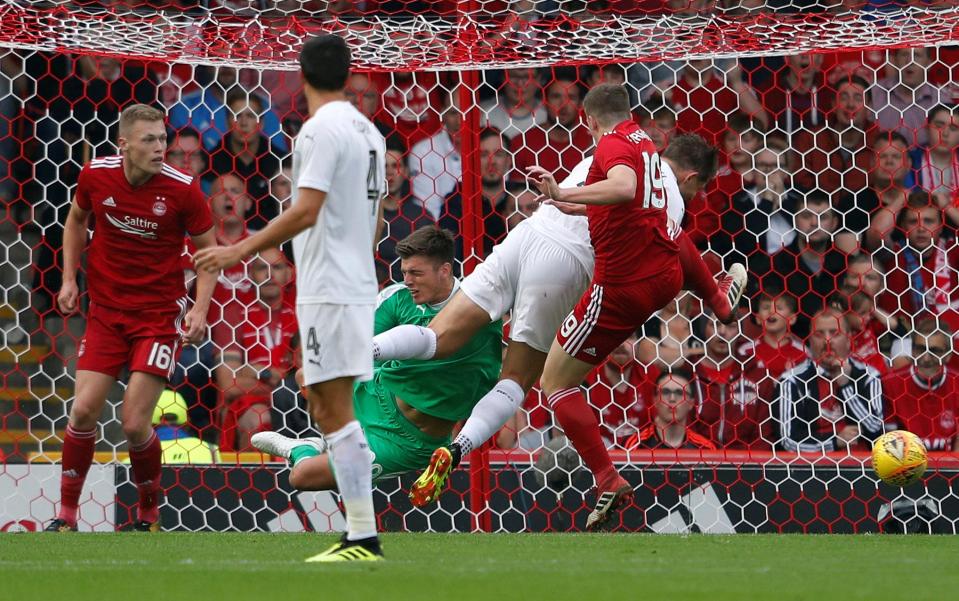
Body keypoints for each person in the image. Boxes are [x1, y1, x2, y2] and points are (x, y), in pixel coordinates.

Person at [375, 130, 742, 520]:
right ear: (691, 178)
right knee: (526, 380)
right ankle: (460, 449)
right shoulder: (655, 183)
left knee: (437, 336)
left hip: (528, 233)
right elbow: (661, 231)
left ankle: (363, 351)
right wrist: (713, 295)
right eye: (699, 189)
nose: (695, 198)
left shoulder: (619, 152)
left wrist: (563, 197)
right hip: (570, 267)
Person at [194, 34, 386, 562]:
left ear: (300, 79)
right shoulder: (368, 132)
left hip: (329, 288)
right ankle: (362, 535)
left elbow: (305, 210)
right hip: (353, 284)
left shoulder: (317, 133)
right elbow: (376, 216)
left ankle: (364, 535)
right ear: (348, 76)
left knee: (332, 406)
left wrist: (238, 252)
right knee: (328, 403)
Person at [45, 104, 218, 533]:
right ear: (124, 144)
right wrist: (69, 279)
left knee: (134, 422)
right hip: (105, 311)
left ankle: (148, 512)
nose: (161, 147)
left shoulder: (184, 190)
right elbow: (76, 221)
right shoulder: (94, 175)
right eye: (149, 140)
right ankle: (66, 516)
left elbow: (209, 256)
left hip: (159, 317)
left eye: (163, 138)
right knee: (83, 411)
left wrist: (199, 308)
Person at [250, 228, 502, 491]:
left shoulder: (475, 310)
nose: (408, 281)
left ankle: (308, 447)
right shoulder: (397, 299)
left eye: (416, 273)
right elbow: (356, 344)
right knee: (309, 375)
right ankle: (324, 440)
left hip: (407, 442)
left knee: (303, 477)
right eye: (405, 272)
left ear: (445, 270)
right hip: (376, 391)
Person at [774, 308, 884, 454]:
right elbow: (787, 441)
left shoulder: (869, 376)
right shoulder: (791, 381)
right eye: (819, 334)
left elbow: (876, 433)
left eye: (835, 333)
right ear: (809, 339)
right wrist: (835, 441)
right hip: (811, 471)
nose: (827, 341)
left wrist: (845, 385)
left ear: (849, 337)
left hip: (862, 468)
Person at [882, 318, 959, 452]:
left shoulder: (956, 383)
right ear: (911, 351)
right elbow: (890, 442)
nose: (926, 358)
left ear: (948, 355)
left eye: (934, 351)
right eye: (920, 349)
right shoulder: (890, 384)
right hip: (908, 465)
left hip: (950, 467)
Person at [625, 368, 717, 450]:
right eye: (665, 392)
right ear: (655, 400)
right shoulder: (636, 445)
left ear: (691, 403)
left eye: (680, 393)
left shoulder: (705, 448)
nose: (672, 398)